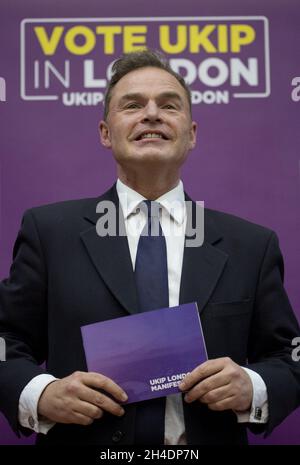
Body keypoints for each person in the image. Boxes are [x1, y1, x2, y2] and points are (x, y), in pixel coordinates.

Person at [0, 49, 299, 446]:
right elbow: (6, 341)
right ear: (106, 133)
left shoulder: (251, 245)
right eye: (133, 105)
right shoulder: (49, 232)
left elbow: (290, 357)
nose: (152, 114)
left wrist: (254, 385)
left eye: (169, 105)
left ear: (191, 134)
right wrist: (40, 394)